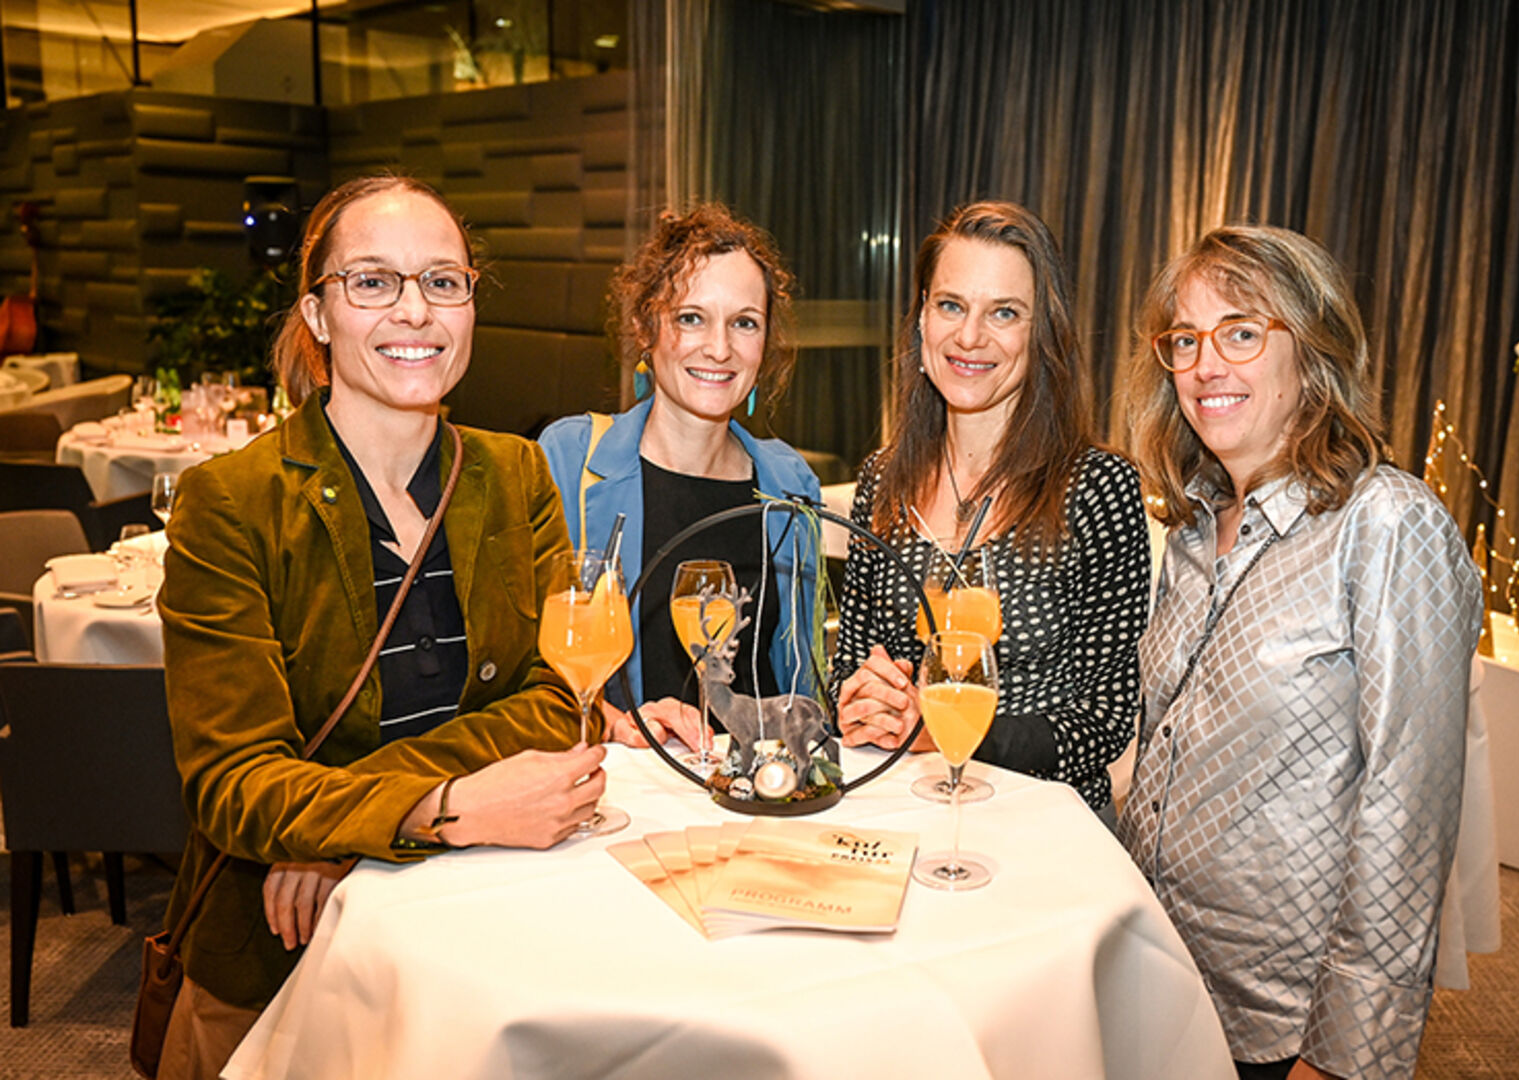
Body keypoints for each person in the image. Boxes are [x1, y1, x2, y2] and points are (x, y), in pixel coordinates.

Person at [156, 174, 604, 1079]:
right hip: (286, 946)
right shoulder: (232, 504)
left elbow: (561, 696)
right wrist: (438, 808)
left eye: (443, 281)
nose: (416, 312)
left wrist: (342, 822)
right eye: (372, 281)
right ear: (318, 315)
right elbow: (233, 783)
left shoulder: (517, 477)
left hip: (488, 913)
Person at [1116, 225, 1481, 1080]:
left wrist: (1346, 1055)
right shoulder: (1196, 530)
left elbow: (1408, 812)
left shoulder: (1386, 523)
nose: (1207, 365)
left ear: (1309, 352)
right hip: (1162, 982)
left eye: (1242, 331)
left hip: (1285, 1028)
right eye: (1185, 339)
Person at [831, 200, 1150, 819]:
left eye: (1004, 313)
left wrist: (954, 732)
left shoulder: (1097, 488)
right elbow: (850, 666)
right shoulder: (882, 480)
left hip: (1043, 824)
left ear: (1041, 332)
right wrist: (864, 700)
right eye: (951, 305)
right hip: (905, 812)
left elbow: (1107, 719)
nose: (970, 336)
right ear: (922, 317)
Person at [540, 205, 822, 747]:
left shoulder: (790, 483)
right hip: (625, 797)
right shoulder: (570, 459)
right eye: (691, 318)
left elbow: (802, 672)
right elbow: (526, 660)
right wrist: (610, 721)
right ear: (646, 328)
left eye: (744, 323)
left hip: (759, 791)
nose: (719, 348)